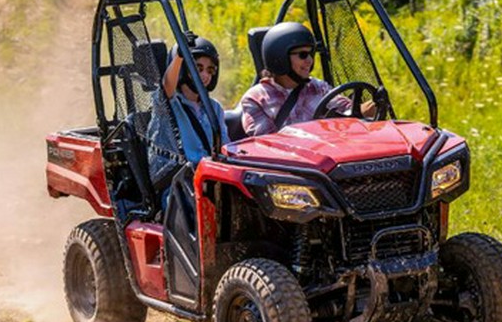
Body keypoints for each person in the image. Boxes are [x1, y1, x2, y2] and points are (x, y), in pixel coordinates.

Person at [240, 22, 373, 136]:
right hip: (291, 164)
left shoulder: (318, 87)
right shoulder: (255, 99)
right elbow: (266, 145)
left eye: (311, 54)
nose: (309, 60)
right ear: (279, 57)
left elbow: (348, 112)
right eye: (303, 55)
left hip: (329, 159)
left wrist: (372, 106)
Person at [147, 33, 230, 208]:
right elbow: (166, 87)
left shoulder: (214, 108)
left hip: (212, 181)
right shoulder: (168, 105)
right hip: (178, 187)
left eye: (210, 70)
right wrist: (179, 56)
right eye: (198, 68)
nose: (205, 75)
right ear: (184, 69)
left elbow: (225, 148)